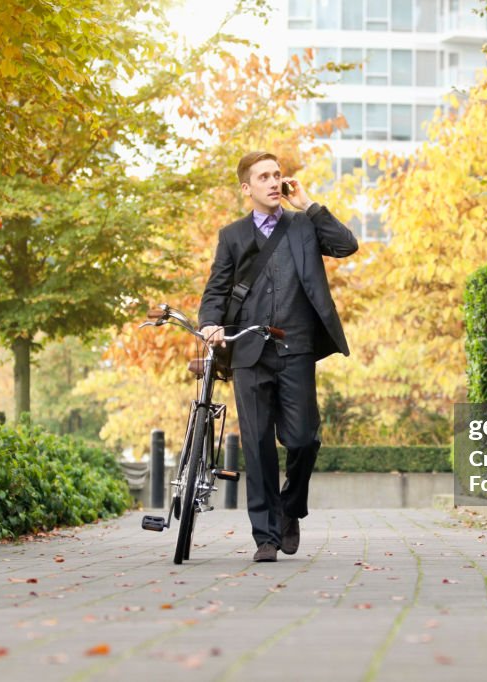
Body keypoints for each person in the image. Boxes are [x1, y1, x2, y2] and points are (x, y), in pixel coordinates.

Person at [198, 151, 358, 562]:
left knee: (304, 438)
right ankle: (265, 536)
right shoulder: (232, 236)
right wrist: (211, 324)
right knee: (256, 445)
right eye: (263, 177)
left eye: (277, 175)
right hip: (249, 351)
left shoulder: (303, 226)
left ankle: (290, 507)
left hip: (297, 347)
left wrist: (307, 203)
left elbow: (346, 245)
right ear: (246, 188)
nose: (273, 182)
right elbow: (216, 290)